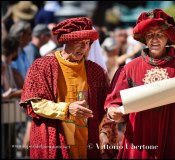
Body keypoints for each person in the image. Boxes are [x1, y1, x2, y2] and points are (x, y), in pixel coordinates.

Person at [105, 9, 175, 159]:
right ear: (144, 39)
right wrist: (114, 113)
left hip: (172, 139)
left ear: (168, 37)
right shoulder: (128, 70)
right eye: (150, 35)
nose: (154, 39)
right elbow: (113, 105)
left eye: (160, 34)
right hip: (139, 142)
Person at [19, 17, 117, 159]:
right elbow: (35, 104)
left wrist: (103, 132)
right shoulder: (42, 66)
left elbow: (107, 106)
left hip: (86, 144)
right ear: (67, 42)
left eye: (87, 43)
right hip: (54, 140)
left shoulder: (96, 72)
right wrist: (67, 109)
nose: (84, 48)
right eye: (79, 43)